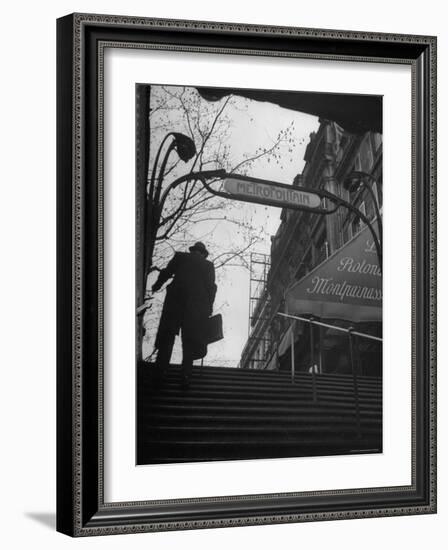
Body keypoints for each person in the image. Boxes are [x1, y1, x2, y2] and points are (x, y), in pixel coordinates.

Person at [151, 242, 217, 388]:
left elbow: (167, 272)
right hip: (196, 308)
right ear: (203, 254)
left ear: (193, 251)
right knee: (190, 341)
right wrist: (209, 307)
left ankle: (161, 371)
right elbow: (211, 288)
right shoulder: (208, 266)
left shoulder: (180, 257)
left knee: (167, 336)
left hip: (174, 302)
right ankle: (186, 374)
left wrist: (157, 285)